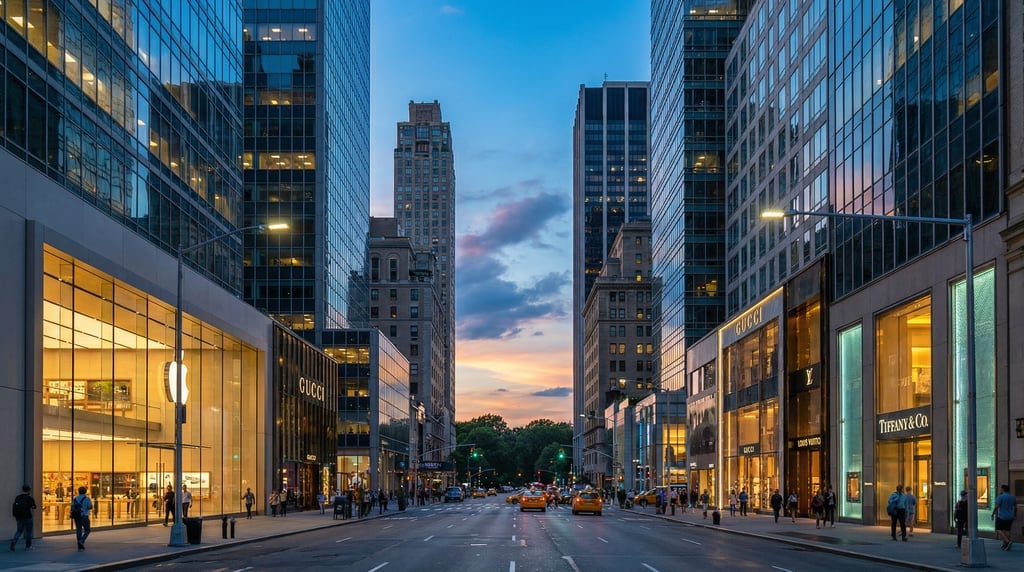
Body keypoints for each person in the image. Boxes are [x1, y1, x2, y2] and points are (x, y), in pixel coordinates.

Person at [10, 484, 37, 551]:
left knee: (19, 531)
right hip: (28, 517)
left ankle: (14, 541)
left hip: (19, 517)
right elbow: (34, 507)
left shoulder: (18, 497)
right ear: (29, 490)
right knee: (29, 532)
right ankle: (28, 546)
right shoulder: (29, 498)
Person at [993, 483, 1017, 550]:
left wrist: (993, 513)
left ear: (1003, 489)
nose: (1000, 490)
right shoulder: (1013, 497)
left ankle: (1007, 541)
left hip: (1002, 516)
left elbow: (997, 506)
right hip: (1010, 516)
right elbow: (1015, 507)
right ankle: (1005, 544)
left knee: (998, 529)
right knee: (1007, 530)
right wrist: (1014, 515)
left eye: (1001, 489)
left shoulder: (1000, 497)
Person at [71, 486, 92, 551]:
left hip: (77, 516)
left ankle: (79, 544)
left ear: (78, 491)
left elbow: (72, 507)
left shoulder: (75, 499)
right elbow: (90, 506)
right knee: (87, 529)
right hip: (84, 515)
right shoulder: (87, 499)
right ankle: (81, 541)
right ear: (85, 492)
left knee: (78, 529)